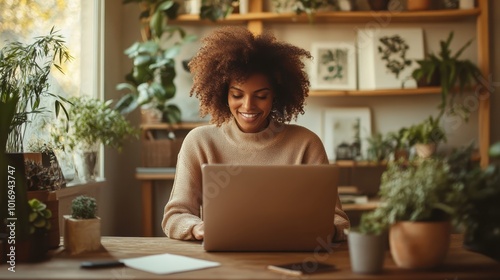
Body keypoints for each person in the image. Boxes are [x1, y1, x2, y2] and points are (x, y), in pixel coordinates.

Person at [162, 26, 350, 242]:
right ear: (224, 94)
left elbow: (339, 220)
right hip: (222, 263)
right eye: (237, 95)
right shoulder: (200, 142)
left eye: (261, 96)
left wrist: (326, 230)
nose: (248, 106)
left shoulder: (306, 144)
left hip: (289, 259)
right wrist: (198, 228)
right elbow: (175, 216)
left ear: (275, 96)